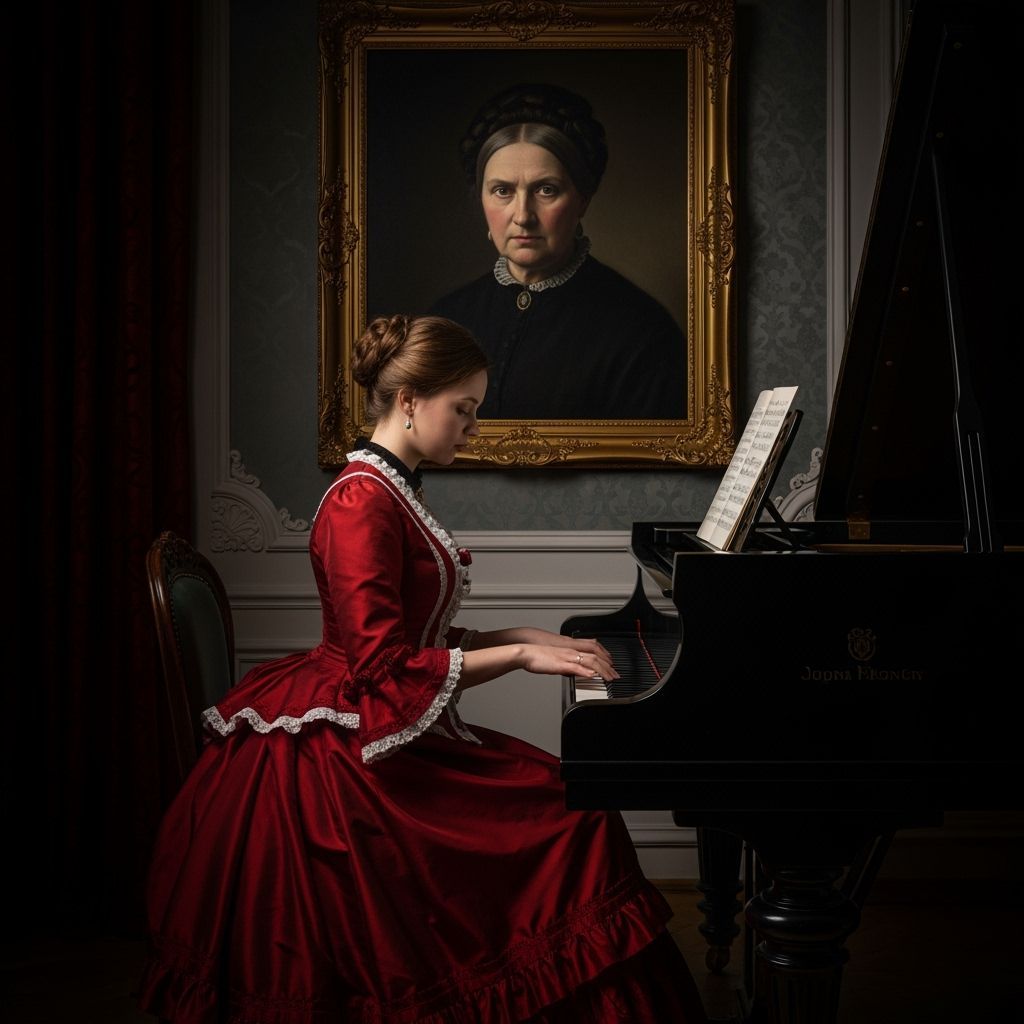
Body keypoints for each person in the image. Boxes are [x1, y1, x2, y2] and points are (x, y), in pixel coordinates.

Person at [138, 314, 707, 1024]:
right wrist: (524, 656)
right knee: (569, 817)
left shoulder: (389, 490)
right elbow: (382, 665)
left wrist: (517, 634)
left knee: (566, 804)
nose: (472, 426)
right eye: (462, 409)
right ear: (410, 400)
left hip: (373, 719)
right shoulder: (357, 502)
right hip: (346, 751)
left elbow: (410, 632)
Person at [429, 82, 687, 421]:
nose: (522, 215)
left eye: (546, 190)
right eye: (502, 191)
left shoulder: (642, 332)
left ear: (582, 199)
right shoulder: (445, 320)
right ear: (481, 200)